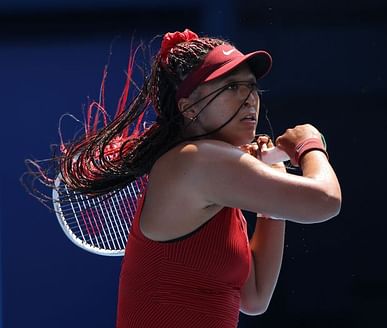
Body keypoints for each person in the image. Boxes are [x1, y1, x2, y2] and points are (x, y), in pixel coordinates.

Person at [50, 29, 342, 328]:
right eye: (231, 87)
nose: (249, 98)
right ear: (188, 106)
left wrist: (274, 185)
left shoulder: (214, 176)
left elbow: (254, 297)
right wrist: (309, 144)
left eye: (251, 87)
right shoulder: (197, 160)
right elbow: (325, 201)